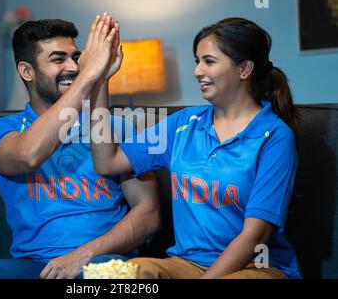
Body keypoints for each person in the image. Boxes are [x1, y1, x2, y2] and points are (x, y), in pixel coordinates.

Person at [0, 14, 160, 279]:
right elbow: (27, 155)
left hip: (103, 261)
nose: (73, 67)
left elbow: (149, 213)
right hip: (34, 267)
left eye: (76, 57)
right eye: (58, 59)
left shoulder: (116, 127)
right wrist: (89, 78)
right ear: (27, 71)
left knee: (105, 277)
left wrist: (84, 254)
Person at [89, 17, 301, 279]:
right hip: (185, 264)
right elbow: (107, 162)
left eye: (208, 61)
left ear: (244, 69)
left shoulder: (275, 137)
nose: (197, 71)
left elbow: (255, 236)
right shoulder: (184, 123)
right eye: (197, 61)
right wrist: (100, 82)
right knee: (109, 276)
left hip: (255, 268)